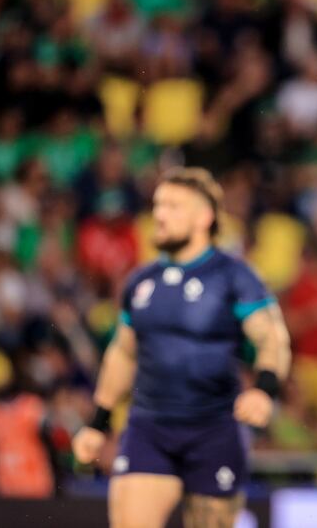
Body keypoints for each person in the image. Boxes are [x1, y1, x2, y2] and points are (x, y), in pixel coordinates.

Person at [72, 167, 291, 528]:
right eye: (158, 205)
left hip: (214, 430)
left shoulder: (234, 276)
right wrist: (98, 423)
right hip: (149, 428)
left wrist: (264, 391)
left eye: (174, 206)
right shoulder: (141, 281)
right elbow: (123, 354)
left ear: (204, 216)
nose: (159, 214)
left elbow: (272, 338)